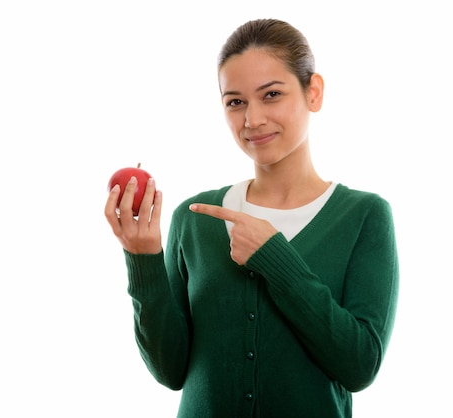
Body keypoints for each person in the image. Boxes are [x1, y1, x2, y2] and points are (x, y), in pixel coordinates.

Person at [104, 18, 398, 418]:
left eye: (271, 94)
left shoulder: (365, 216)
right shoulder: (193, 218)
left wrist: (275, 258)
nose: (251, 119)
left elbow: (360, 366)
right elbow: (170, 371)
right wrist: (143, 258)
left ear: (314, 92)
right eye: (235, 101)